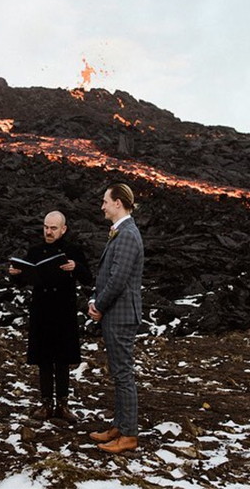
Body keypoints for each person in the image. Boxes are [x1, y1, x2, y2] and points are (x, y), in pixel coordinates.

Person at [8, 211, 92, 422]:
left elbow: (88, 277)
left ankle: (63, 404)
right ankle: (46, 403)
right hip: (42, 310)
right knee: (44, 359)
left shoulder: (72, 251)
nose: (48, 231)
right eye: (46, 227)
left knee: (62, 359)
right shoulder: (36, 251)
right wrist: (15, 274)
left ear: (63, 229)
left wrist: (76, 267)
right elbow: (24, 279)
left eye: (53, 228)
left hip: (64, 310)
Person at [87, 183, 144, 454]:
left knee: (123, 374)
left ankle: (129, 434)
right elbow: (109, 275)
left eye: (105, 201)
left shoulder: (127, 234)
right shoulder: (121, 232)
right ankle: (119, 426)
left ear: (118, 202)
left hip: (120, 315)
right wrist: (94, 300)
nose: (102, 206)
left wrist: (98, 304)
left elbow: (118, 278)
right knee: (119, 372)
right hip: (115, 313)